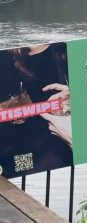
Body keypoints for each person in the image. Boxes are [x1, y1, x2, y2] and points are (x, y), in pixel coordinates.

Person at [0, 42, 73, 178]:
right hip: (11, 142)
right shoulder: (6, 54)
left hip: (52, 139)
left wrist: (75, 96)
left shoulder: (66, 51)